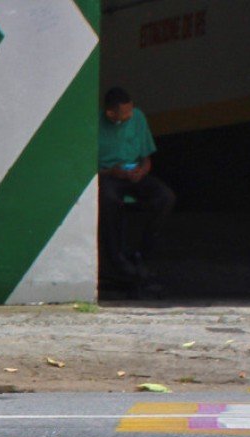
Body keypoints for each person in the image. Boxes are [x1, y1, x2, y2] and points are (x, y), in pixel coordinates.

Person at [98, 86, 175, 292]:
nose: (130, 116)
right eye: (124, 114)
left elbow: (146, 157)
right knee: (109, 201)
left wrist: (142, 171)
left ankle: (143, 253)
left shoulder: (138, 117)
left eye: (131, 110)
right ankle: (117, 259)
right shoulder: (96, 124)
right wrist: (112, 172)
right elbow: (91, 169)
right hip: (110, 176)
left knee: (165, 197)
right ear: (110, 113)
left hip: (135, 174)